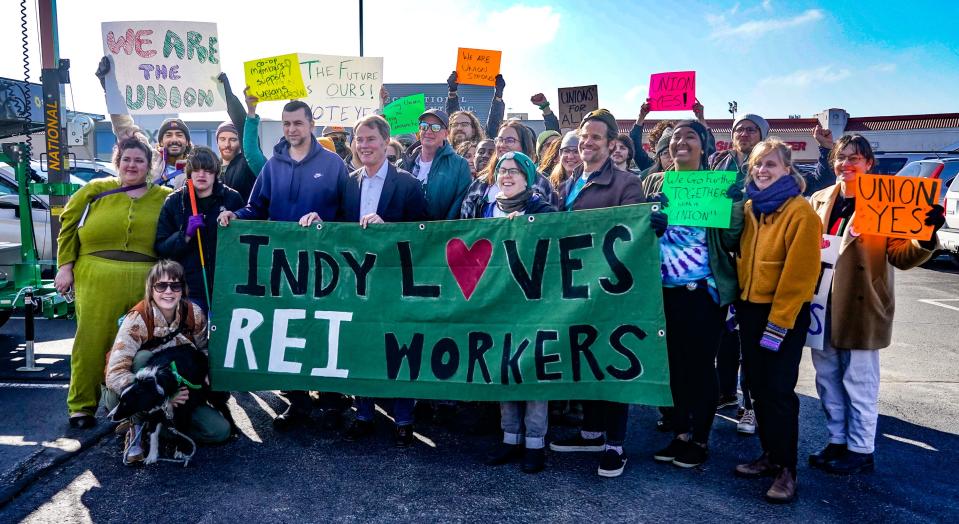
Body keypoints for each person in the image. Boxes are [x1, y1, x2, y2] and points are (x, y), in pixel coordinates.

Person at [806, 135, 944, 475]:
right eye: (841, 157)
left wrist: (924, 234)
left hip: (862, 304)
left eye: (856, 157)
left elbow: (902, 255)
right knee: (826, 378)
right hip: (821, 303)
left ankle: (860, 448)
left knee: (859, 381)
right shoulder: (819, 199)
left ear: (869, 164)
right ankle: (837, 440)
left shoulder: (887, 201)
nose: (847, 163)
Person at [218, 100, 350, 430]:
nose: (292, 129)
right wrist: (237, 216)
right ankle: (298, 400)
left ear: (310, 124)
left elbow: (349, 213)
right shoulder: (273, 166)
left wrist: (325, 220)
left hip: (324, 269)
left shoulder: (334, 164)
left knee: (322, 329)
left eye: (298, 123)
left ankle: (333, 400)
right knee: (287, 329)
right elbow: (257, 207)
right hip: (281, 270)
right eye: (287, 123)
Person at [548, 109, 644, 478]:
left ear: (611, 144)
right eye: (584, 136)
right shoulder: (569, 181)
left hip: (609, 292)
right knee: (585, 357)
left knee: (612, 364)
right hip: (575, 290)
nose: (587, 143)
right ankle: (591, 432)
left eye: (596, 138)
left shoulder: (625, 184)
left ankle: (615, 444)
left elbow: (630, 236)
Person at [644, 120, 744, 470]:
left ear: (704, 146)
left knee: (700, 367)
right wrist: (648, 218)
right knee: (672, 366)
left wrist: (733, 208)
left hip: (702, 292)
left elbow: (732, 241)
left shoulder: (718, 187)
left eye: (690, 137)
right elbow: (637, 229)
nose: (680, 143)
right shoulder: (655, 181)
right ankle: (681, 433)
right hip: (662, 292)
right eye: (675, 138)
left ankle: (701, 440)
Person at [54, 138, 172, 428]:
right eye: (126, 159)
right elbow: (68, 227)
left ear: (149, 165)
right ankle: (81, 406)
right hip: (96, 276)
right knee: (91, 341)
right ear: (117, 161)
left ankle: (135, 406)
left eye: (139, 160)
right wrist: (65, 267)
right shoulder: (95, 191)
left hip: (146, 279)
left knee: (143, 344)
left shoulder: (166, 196)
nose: (132, 165)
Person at [733, 138, 822, 503]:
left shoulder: (801, 212)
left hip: (782, 313)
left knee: (780, 391)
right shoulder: (752, 207)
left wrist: (779, 322)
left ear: (788, 168)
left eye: (771, 164)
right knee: (755, 385)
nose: (763, 170)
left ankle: (787, 470)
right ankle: (769, 455)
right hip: (750, 308)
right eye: (758, 164)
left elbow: (800, 276)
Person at [338, 115, 427, 447]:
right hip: (359, 284)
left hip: (395, 282)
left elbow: (424, 232)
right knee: (361, 345)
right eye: (359, 139)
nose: (364, 145)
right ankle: (363, 413)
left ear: (386, 142)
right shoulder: (348, 183)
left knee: (398, 347)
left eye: (370, 139)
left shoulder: (408, 184)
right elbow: (338, 228)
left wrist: (388, 227)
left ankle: (404, 418)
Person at [104, 260, 231, 463]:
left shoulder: (194, 314)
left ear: (183, 289)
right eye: (161, 286)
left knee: (219, 431)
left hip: (180, 394)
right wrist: (164, 399)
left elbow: (205, 349)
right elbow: (115, 372)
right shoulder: (138, 318)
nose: (168, 291)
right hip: (134, 394)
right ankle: (136, 426)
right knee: (145, 359)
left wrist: (209, 369)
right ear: (151, 288)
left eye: (175, 285)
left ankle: (156, 427)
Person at [480, 151, 555, 473]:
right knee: (505, 367)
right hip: (498, 302)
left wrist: (526, 228)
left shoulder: (542, 208)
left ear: (527, 177)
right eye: (501, 170)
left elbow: (554, 242)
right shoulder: (488, 208)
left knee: (533, 371)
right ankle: (510, 437)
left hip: (534, 304)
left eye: (514, 171)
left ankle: (535, 444)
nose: (506, 176)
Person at [155, 147, 246, 313]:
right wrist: (186, 234)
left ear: (216, 173)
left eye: (207, 170)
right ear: (189, 172)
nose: (201, 175)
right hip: (187, 289)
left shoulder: (232, 198)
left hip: (226, 288)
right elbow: (161, 249)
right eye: (196, 170)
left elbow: (245, 243)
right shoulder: (175, 201)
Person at [95, 56, 192, 188]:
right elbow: (124, 127)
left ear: (187, 142)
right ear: (161, 142)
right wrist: (110, 87)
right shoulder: (149, 158)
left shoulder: (197, 166)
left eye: (179, 135)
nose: (174, 139)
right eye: (168, 135)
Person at [460, 121, 559, 218]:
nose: (502, 145)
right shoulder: (480, 184)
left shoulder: (542, 184)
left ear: (524, 145)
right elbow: (467, 225)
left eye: (510, 140)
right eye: (499, 140)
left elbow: (551, 223)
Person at [398, 109, 472, 221]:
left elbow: (458, 207)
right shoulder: (403, 164)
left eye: (435, 127)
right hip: (406, 234)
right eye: (424, 126)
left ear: (446, 133)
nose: (428, 131)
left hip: (440, 235)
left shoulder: (460, 165)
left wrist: (441, 233)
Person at [212, 73, 264, 201]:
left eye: (233, 139)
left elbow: (241, 124)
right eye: (222, 139)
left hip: (243, 219)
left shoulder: (247, 163)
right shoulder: (210, 168)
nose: (227, 145)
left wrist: (227, 94)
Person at [445, 71, 506, 142]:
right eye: (455, 124)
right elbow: (453, 116)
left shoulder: (482, 150)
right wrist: (452, 91)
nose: (459, 128)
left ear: (473, 130)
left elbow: (493, 125)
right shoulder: (441, 151)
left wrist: (498, 96)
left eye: (464, 124)